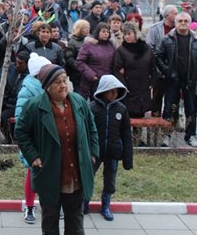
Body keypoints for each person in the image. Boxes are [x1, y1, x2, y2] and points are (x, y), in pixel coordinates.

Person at [15, 64, 99, 235]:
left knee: (76, 224)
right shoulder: (34, 106)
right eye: (57, 82)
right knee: (50, 223)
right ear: (47, 86)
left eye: (65, 80)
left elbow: (91, 127)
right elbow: (21, 132)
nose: (63, 85)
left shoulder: (78, 102)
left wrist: (93, 153)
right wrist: (32, 156)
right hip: (49, 174)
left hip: (76, 174)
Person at [155, 12, 197, 148]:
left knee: (191, 109)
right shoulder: (167, 39)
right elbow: (158, 56)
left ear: (189, 23)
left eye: (185, 21)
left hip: (189, 80)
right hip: (172, 80)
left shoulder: (196, 39)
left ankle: (190, 136)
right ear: (176, 23)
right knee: (169, 108)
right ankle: (167, 135)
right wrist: (167, 71)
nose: (183, 23)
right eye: (180, 21)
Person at [87, 75, 133, 221]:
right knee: (88, 177)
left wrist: (127, 158)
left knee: (110, 180)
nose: (114, 94)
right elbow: (85, 132)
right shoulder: (92, 109)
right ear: (103, 90)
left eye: (117, 91)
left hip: (113, 152)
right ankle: (84, 202)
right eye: (111, 91)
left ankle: (105, 205)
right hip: (94, 152)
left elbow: (126, 135)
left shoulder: (121, 109)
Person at [15, 53, 52, 224]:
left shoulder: (50, 87)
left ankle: (50, 205)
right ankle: (29, 206)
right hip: (34, 140)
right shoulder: (27, 91)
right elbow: (20, 119)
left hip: (50, 138)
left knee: (51, 173)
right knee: (33, 172)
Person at [113, 23, 155, 119]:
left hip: (144, 84)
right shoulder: (121, 50)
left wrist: (152, 82)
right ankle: (127, 134)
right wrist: (123, 85)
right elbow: (116, 69)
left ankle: (138, 134)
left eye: (129, 34)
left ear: (136, 34)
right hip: (129, 86)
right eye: (125, 34)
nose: (127, 37)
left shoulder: (147, 48)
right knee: (128, 113)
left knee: (141, 112)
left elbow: (152, 66)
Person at [76, 22, 116, 99]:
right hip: (92, 82)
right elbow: (80, 62)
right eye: (103, 31)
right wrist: (92, 75)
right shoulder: (88, 45)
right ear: (98, 32)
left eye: (108, 32)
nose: (106, 34)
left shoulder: (111, 46)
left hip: (107, 82)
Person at [64, 19, 90, 94]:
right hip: (77, 74)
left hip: (88, 74)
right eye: (85, 28)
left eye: (88, 27)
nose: (88, 30)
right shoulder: (72, 41)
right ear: (80, 29)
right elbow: (69, 58)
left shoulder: (90, 40)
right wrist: (80, 68)